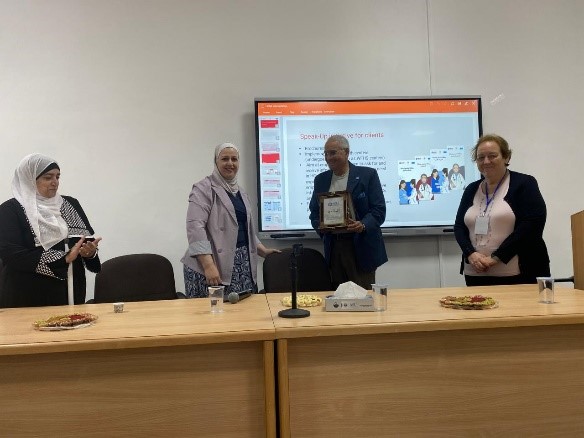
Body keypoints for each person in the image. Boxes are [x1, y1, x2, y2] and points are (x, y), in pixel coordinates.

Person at [0, 154, 101, 307]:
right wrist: (63, 259)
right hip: (29, 291)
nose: (55, 182)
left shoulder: (70, 204)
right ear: (29, 179)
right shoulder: (10, 210)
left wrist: (90, 253)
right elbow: (10, 254)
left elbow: (83, 241)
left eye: (57, 177)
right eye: (48, 177)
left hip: (72, 286)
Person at [181, 142, 280, 298]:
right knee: (213, 312)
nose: (230, 163)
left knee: (243, 310)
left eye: (234, 159)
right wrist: (208, 265)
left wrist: (263, 250)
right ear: (216, 162)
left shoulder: (241, 192)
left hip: (241, 264)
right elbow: (195, 228)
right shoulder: (203, 188)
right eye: (224, 159)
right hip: (211, 264)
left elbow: (244, 229)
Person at [453, 134, 550, 286]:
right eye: (480, 157)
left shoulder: (524, 183)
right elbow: (459, 227)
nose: (486, 161)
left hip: (520, 274)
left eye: (492, 156)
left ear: (506, 157)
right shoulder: (471, 189)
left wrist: (496, 258)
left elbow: (531, 226)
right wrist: (470, 254)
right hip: (476, 273)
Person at [309, 135, 387, 290]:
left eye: (332, 153)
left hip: (361, 246)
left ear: (346, 152)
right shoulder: (321, 180)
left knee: (363, 295)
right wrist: (322, 227)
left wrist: (362, 224)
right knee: (339, 296)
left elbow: (379, 210)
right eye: (325, 154)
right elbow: (314, 213)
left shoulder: (367, 175)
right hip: (334, 247)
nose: (328, 158)